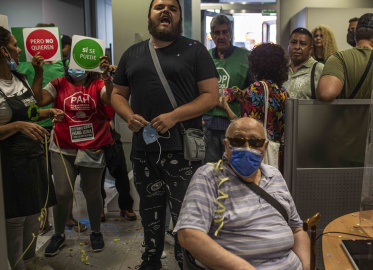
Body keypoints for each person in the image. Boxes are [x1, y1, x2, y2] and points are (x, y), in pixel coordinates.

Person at [110, 0, 219, 268]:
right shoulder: (132, 54)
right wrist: (128, 115)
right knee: (149, 212)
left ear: (179, 16)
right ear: (149, 14)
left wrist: (174, 116)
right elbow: (117, 94)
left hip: (183, 151)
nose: (165, 11)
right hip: (143, 149)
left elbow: (211, 97)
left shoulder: (195, 51)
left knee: (186, 215)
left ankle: (188, 263)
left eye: (172, 7)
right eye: (159, 6)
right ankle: (150, 261)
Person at [175, 117, 310, 270]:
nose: (247, 147)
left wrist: (307, 266)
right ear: (226, 145)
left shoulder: (274, 175)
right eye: (238, 141)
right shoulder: (209, 176)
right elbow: (189, 234)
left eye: (255, 142)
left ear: (265, 147)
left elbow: (297, 229)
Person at [30, 51, 115, 256]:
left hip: (92, 145)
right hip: (63, 144)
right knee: (62, 193)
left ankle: (96, 232)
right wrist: (38, 72)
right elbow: (39, 101)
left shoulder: (98, 84)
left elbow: (110, 100)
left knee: (92, 192)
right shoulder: (58, 83)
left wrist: (108, 78)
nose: (77, 68)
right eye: (73, 63)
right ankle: (58, 234)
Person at [0, 26, 64, 270]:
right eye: (15, 46)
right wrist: (16, 125)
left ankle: (30, 260)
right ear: (3, 51)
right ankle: (16, 266)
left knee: (34, 214)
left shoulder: (20, 78)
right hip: (11, 162)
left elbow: (33, 110)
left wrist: (48, 111)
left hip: (34, 157)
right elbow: (18, 121)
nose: (19, 50)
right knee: (15, 219)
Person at [220, 43, 289, 171]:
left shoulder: (256, 88)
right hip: (276, 151)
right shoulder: (282, 91)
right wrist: (245, 101)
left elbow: (245, 128)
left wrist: (226, 107)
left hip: (256, 151)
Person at [203, 14, 250, 163]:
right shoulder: (204, 58)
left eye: (225, 32)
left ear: (230, 34)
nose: (221, 36)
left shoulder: (246, 57)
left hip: (235, 123)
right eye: (217, 33)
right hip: (208, 125)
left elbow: (256, 87)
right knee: (211, 169)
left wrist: (243, 92)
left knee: (234, 168)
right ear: (212, 35)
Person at [283, 28, 324, 99]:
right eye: (293, 42)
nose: (297, 47)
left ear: (310, 49)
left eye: (303, 44)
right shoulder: (281, 68)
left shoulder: (319, 69)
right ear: (288, 45)